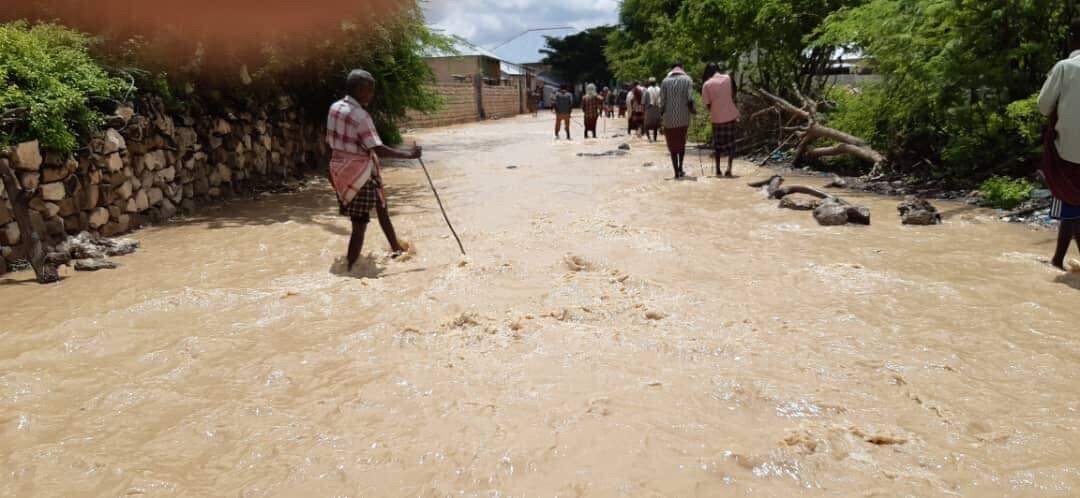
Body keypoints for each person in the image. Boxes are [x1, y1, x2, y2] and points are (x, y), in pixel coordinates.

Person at [327, 69, 420, 271]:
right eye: (369, 90)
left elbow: (330, 142)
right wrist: (409, 155)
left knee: (381, 206)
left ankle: (396, 249)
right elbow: (378, 149)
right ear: (359, 89)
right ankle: (350, 268)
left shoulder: (335, 107)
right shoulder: (360, 116)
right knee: (359, 225)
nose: (371, 94)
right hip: (359, 174)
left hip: (340, 170)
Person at [1038, 19, 1080, 271]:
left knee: (1069, 205)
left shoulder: (1065, 67)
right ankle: (1057, 260)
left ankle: (1057, 261)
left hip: (1068, 153)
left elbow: (1043, 106)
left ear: (1073, 38)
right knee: (1074, 209)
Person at [702, 62, 741, 177]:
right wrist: (728, 102)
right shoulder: (728, 78)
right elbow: (734, 92)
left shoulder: (706, 84)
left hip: (716, 118)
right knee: (731, 144)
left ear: (708, 72)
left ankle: (718, 170)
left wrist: (715, 110)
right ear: (718, 69)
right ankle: (729, 168)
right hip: (730, 115)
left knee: (718, 145)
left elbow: (707, 104)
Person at [659, 62, 695, 178]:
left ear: (671, 70)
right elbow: (690, 99)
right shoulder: (688, 80)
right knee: (681, 143)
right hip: (683, 118)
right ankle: (680, 167)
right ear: (682, 68)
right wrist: (693, 111)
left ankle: (675, 173)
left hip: (668, 119)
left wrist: (661, 117)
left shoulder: (665, 81)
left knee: (672, 146)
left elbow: (662, 102)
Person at [643, 77, 662, 143]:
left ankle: (649, 138)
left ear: (649, 83)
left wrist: (644, 109)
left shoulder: (647, 90)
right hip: (657, 108)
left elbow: (644, 101)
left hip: (649, 109)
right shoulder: (659, 89)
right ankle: (655, 139)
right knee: (655, 126)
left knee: (646, 125)